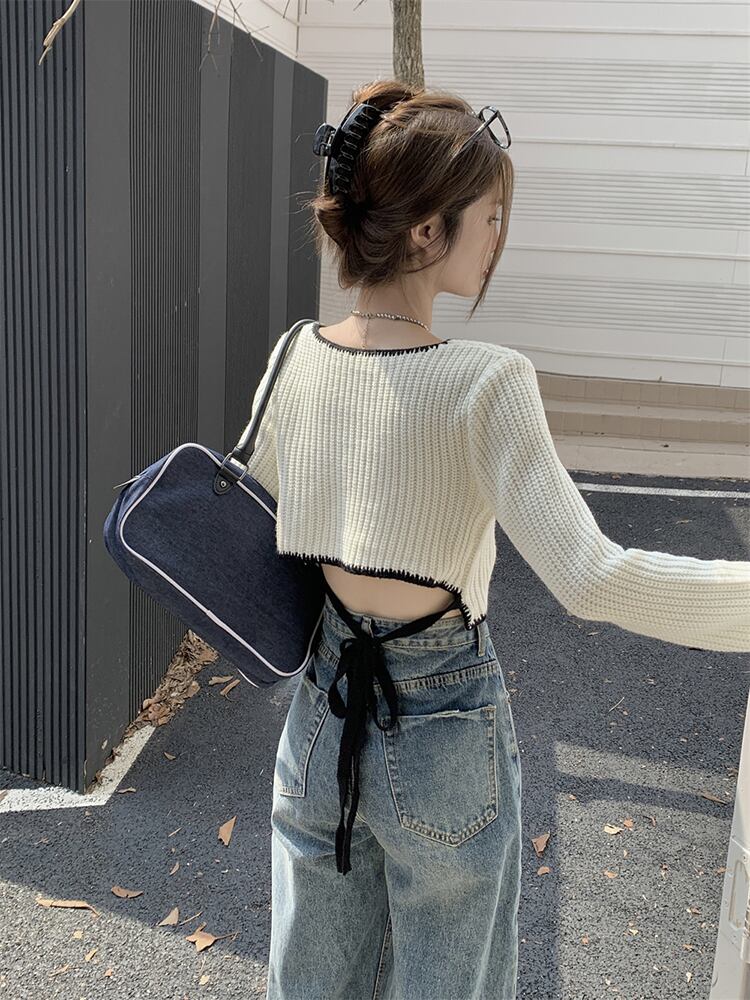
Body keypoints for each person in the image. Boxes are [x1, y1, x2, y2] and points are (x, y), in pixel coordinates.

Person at [244, 79, 750, 1000]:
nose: (498, 237)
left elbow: (258, 522)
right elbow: (592, 577)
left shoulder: (295, 358)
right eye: (490, 216)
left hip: (318, 721)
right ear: (426, 231)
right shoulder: (486, 382)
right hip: (442, 728)